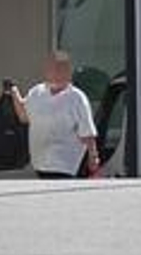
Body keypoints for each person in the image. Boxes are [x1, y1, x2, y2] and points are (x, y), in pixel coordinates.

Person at [10, 51, 99, 179]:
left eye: (61, 69)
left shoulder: (77, 98)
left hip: (65, 165)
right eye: (52, 69)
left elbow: (87, 132)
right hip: (40, 163)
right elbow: (24, 117)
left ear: (68, 72)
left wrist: (93, 156)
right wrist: (14, 93)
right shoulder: (36, 93)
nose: (56, 73)